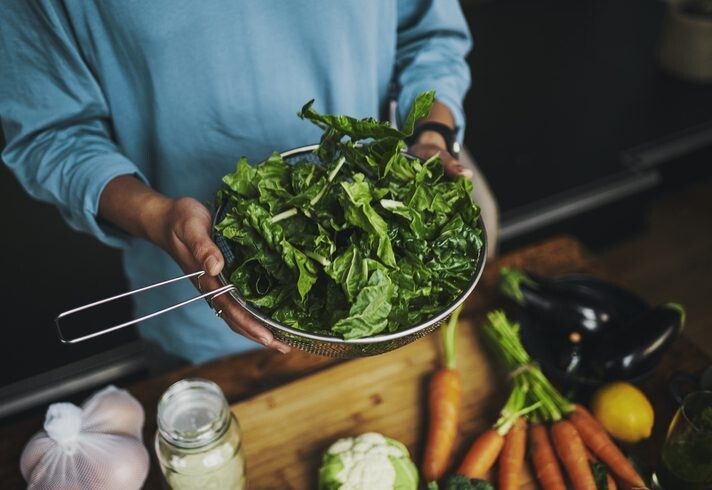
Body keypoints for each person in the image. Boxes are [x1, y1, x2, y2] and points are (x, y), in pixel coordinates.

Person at [0, 1, 497, 364]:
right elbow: (52, 133)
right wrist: (157, 217)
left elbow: (430, 36)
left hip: (385, 303)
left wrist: (433, 136)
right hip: (201, 300)